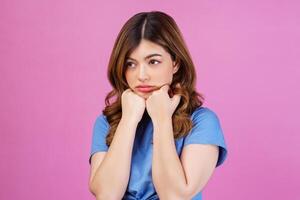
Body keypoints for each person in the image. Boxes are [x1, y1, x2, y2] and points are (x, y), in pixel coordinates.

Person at [88, 10, 228, 200]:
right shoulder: (107, 122)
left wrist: (162, 119)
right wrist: (128, 120)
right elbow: (106, 195)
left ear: (175, 63)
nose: (142, 75)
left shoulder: (202, 122)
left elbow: (174, 196)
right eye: (131, 64)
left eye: (153, 61)